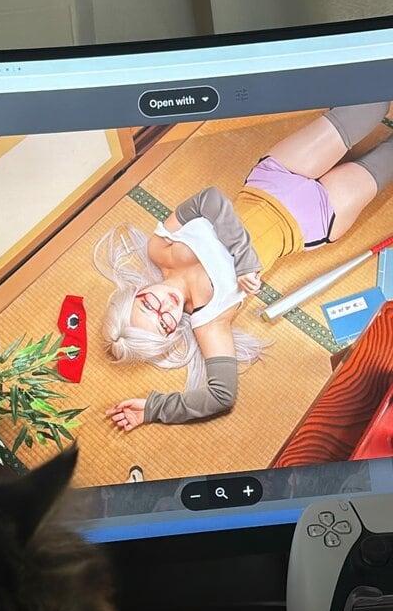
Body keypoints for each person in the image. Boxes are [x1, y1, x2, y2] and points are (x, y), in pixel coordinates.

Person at [95, 102, 393, 431]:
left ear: (136, 292)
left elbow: (209, 200)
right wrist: (154, 408)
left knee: (374, 105)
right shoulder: (210, 321)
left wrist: (243, 260)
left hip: (277, 177)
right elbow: (221, 396)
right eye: (164, 323)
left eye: (149, 305)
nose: (166, 308)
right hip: (317, 217)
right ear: (171, 332)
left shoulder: (160, 250)